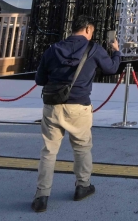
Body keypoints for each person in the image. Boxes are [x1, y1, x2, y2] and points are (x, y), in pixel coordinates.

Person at [32, 15, 120, 213]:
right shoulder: (94, 49)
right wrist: (116, 52)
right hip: (79, 106)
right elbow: (112, 69)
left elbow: (39, 79)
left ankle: (41, 196)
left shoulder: (53, 49)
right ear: (88, 29)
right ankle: (83, 186)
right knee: (81, 148)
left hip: (53, 105)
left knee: (48, 151)